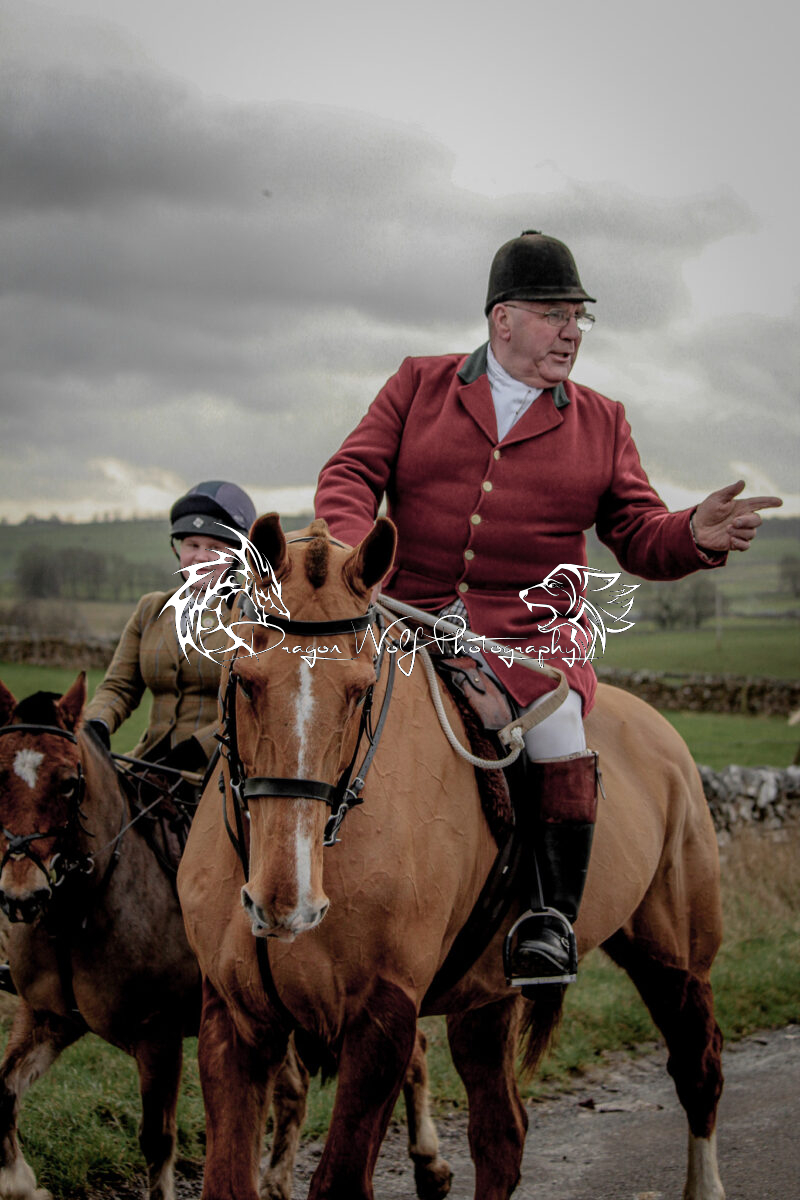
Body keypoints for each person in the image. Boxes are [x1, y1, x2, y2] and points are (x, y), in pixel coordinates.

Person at [314, 230, 782, 990]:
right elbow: (351, 471)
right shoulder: (418, 384)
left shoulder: (603, 421)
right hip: (405, 615)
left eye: (578, 317)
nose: (572, 332)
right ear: (503, 319)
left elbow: (638, 532)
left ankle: (547, 919)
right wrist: (349, 552)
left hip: (530, 637)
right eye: (555, 314)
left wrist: (692, 534)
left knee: (557, 727)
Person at [84, 480, 257, 773]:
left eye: (214, 548)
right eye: (192, 545)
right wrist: (97, 723)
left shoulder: (250, 615)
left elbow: (256, 704)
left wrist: (202, 747)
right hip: (149, 761)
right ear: (179, 550)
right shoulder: (151, 609)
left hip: (219, 770)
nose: (200, 557)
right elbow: (120, 686)